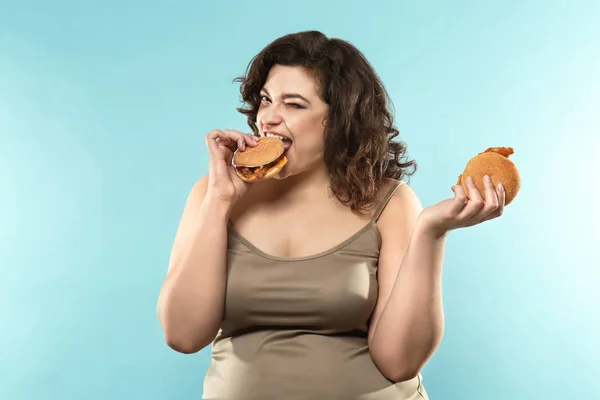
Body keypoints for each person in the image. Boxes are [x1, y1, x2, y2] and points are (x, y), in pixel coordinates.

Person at [157, 30, 505, 399]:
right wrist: (219, 201)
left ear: (339, 119)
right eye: (265, 100)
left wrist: (432, 233)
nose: (268, 119)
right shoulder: (213, 193)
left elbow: (399, 362)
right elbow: (183, 335)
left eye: (294, 105)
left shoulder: (392, 203)